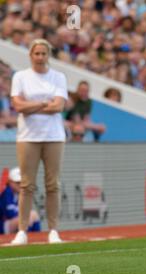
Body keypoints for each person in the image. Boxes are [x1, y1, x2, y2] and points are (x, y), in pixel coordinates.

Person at [9, 38, 68, 245]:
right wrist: (44, 103)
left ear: (48, 56)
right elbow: (18, 106)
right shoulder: (21, 77)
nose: (40, 57)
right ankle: (22, 231)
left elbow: (58, 106)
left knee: (53, 184)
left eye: (44, 54)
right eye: (37, 53)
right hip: (28, 136)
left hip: (53, 136)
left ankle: (53, 230)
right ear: (31, 55)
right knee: (27, 185)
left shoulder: (58, 77)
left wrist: (31, 105)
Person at [0, 167, 41, 234]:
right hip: (2, 225)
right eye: (17, 182)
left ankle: (35, 238)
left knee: (32, 215)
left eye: (22, 182)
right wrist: (25, 214)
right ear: (10, 182)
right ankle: (30, 238)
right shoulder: (6, 192)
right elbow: (10, 213)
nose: (20, 185)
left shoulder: (17, 193)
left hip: (10, 223)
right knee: (28, 217)